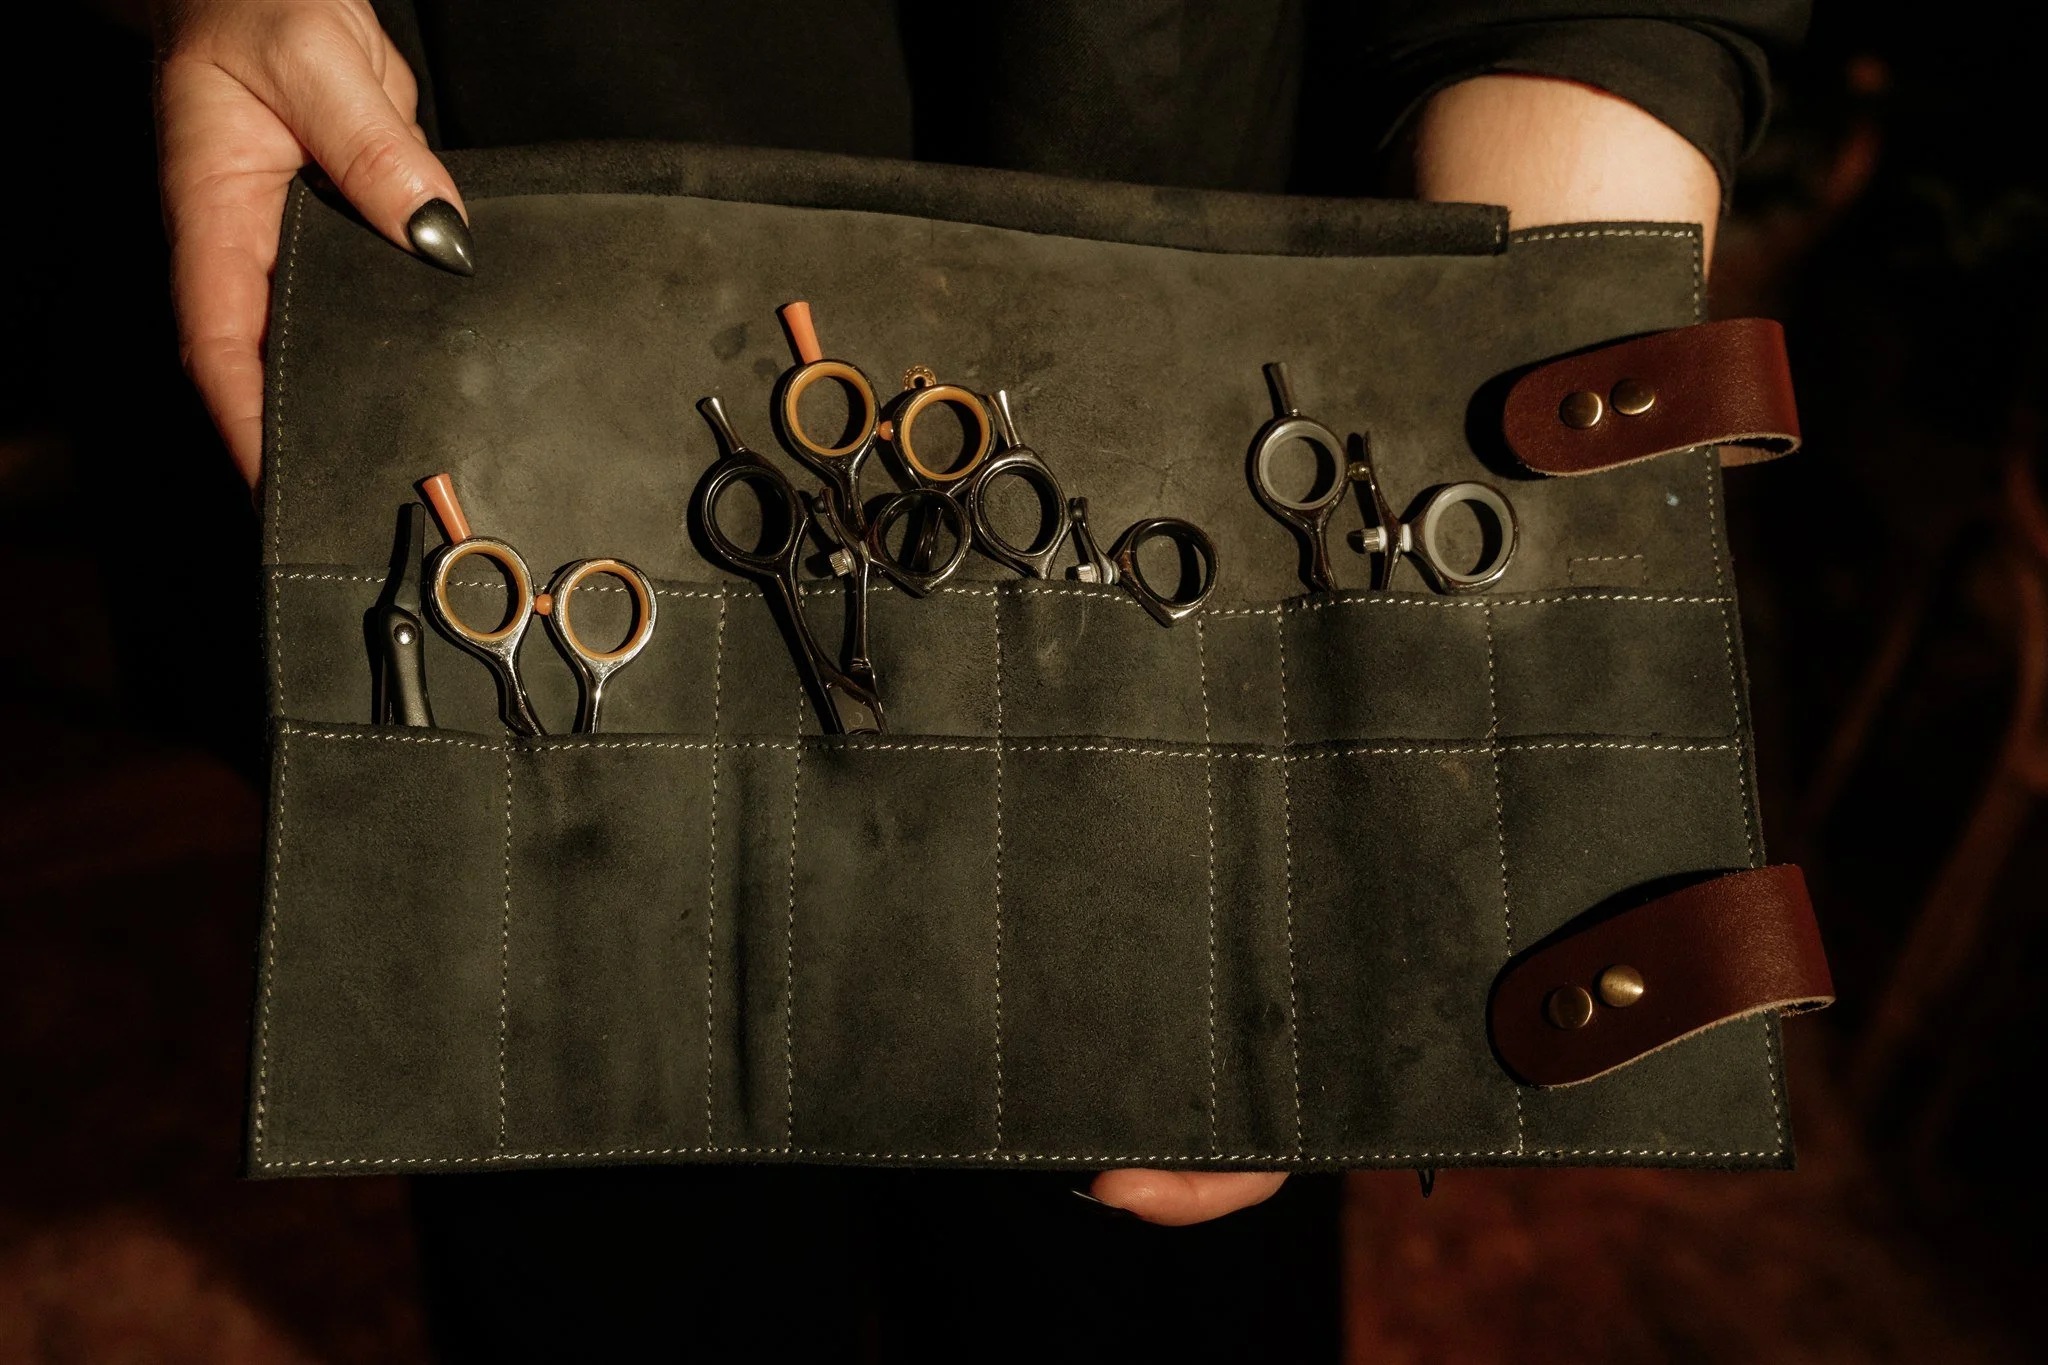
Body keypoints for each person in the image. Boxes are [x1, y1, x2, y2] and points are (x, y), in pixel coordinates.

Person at [150, 1, 1803, 1357]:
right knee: (596, 1208)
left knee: (1146, 1254)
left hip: (1187, 340)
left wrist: (1429, 676)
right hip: (509, 293)